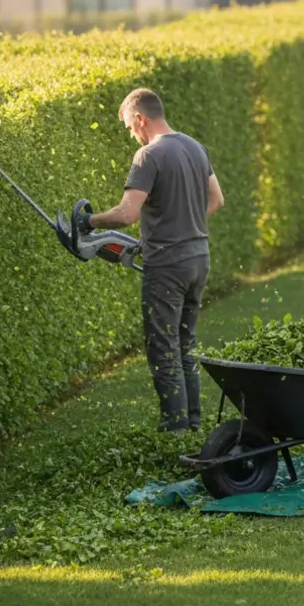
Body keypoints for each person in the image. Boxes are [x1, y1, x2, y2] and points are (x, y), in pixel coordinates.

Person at [79, 88, 224, 433]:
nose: (132, 134)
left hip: (168, 266)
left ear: (141, 118)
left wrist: (87, 221)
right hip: (199, 258)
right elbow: (216, 199)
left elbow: (126, 214)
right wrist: (183, 223)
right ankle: (193, 423)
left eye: (130, 126)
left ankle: (174, 429)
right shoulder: (194, 147)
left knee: (163, 347)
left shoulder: (149, 155)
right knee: (185, 344)